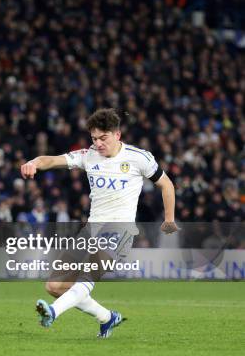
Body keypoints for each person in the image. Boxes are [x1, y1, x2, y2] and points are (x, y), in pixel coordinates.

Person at [20, 108, 178, 338]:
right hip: (91, 229)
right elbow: (52, 160)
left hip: (120, 230)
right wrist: (33, 162)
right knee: (55, 286)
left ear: (117, 135)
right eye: (94, 138)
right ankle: (106, 317)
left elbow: (167, 185)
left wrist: (169, 219)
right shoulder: (88, 155)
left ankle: (52, 313)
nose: (98, 143)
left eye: (103, 138)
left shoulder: (139, 158)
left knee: (87, 275)